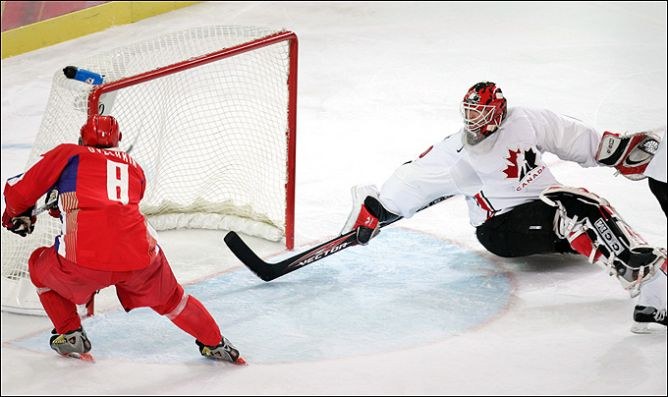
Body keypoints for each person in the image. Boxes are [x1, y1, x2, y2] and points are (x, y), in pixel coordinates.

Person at [340, 81, 667, 331]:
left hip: (545, 210)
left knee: (585, 205)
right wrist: (378, 208)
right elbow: (415, 177)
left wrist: (613, 149)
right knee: (572, 206)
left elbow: (569, 135)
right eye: (469, 114)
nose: (473, 122)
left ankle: (650, 279)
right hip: (501, 229)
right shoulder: (458, 153)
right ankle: (642, 278)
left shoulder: (524, 121)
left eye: (480, 114)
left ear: (498, 112)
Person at [2, 114, 245, 363]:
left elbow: (18, 192)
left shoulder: (69, 154)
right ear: (118, 140)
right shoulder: (134, 167)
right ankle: (216, 344)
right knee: (174, 300)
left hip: (83, 262)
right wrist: (61, 203)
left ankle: (69, 333)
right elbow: (112, 206)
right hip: (141, 259)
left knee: (38, 265)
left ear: (81, 138)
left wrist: (14, 215)